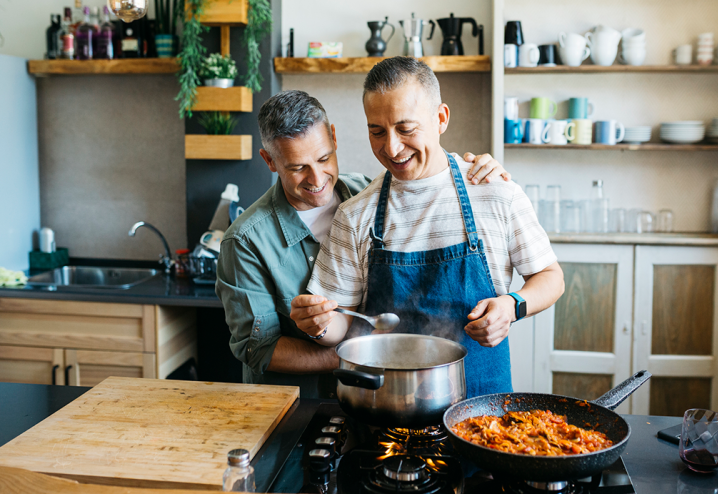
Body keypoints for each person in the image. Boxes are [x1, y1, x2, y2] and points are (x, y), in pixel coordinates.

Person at [294, 57, 565, 398]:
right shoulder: (355, 214)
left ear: (440, 119)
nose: (391, 147)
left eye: (406, 129)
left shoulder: (496, 192)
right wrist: (317, 325)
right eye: (376, 131)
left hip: (482, 410)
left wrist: (512, 306)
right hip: (388, 406)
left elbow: (551, 277)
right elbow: (341, 323)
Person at [216, 89, 510, 398]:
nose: (317, 178)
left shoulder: (369, 194)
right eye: (297, 167)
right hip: (295, 407)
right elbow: (259, 349)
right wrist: (366, 357)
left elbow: (432, 186)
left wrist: (477, 172)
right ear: (269, 161)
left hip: (375, 401)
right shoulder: (245, 241)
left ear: (333, 137)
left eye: (323, 158)